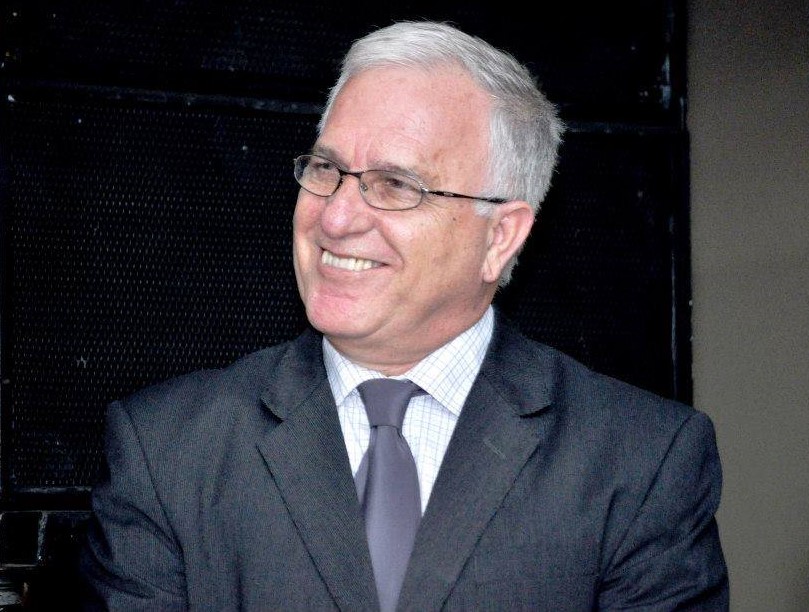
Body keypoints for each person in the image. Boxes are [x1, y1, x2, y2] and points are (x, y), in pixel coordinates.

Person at [80, 20, 729, 611]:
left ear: (500, 237)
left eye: (395, 185)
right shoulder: (166, 451)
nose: (336, 217)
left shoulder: (640, 462)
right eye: (327, 169)